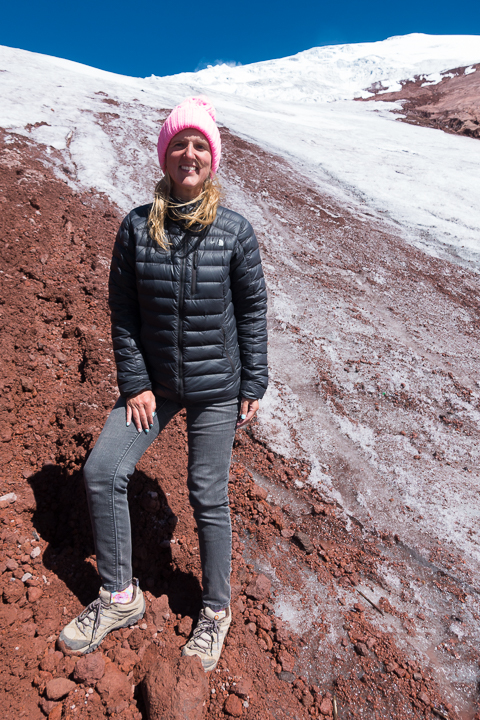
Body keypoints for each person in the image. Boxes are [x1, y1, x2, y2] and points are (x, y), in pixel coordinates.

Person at [58, 96, 268, 670]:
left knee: (207, 493)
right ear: (165, 155)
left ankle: (216, 611)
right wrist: (135, 382)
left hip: (216, 386)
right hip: (154, 384)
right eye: (180, 143)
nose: (190, 153)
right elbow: (122, 311)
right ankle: (120, 597)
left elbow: (251, 309)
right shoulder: (135, 228)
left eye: (200, 144)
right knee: (103, 469)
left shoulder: (234, 232)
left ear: (213, 157)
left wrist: (255, 380)